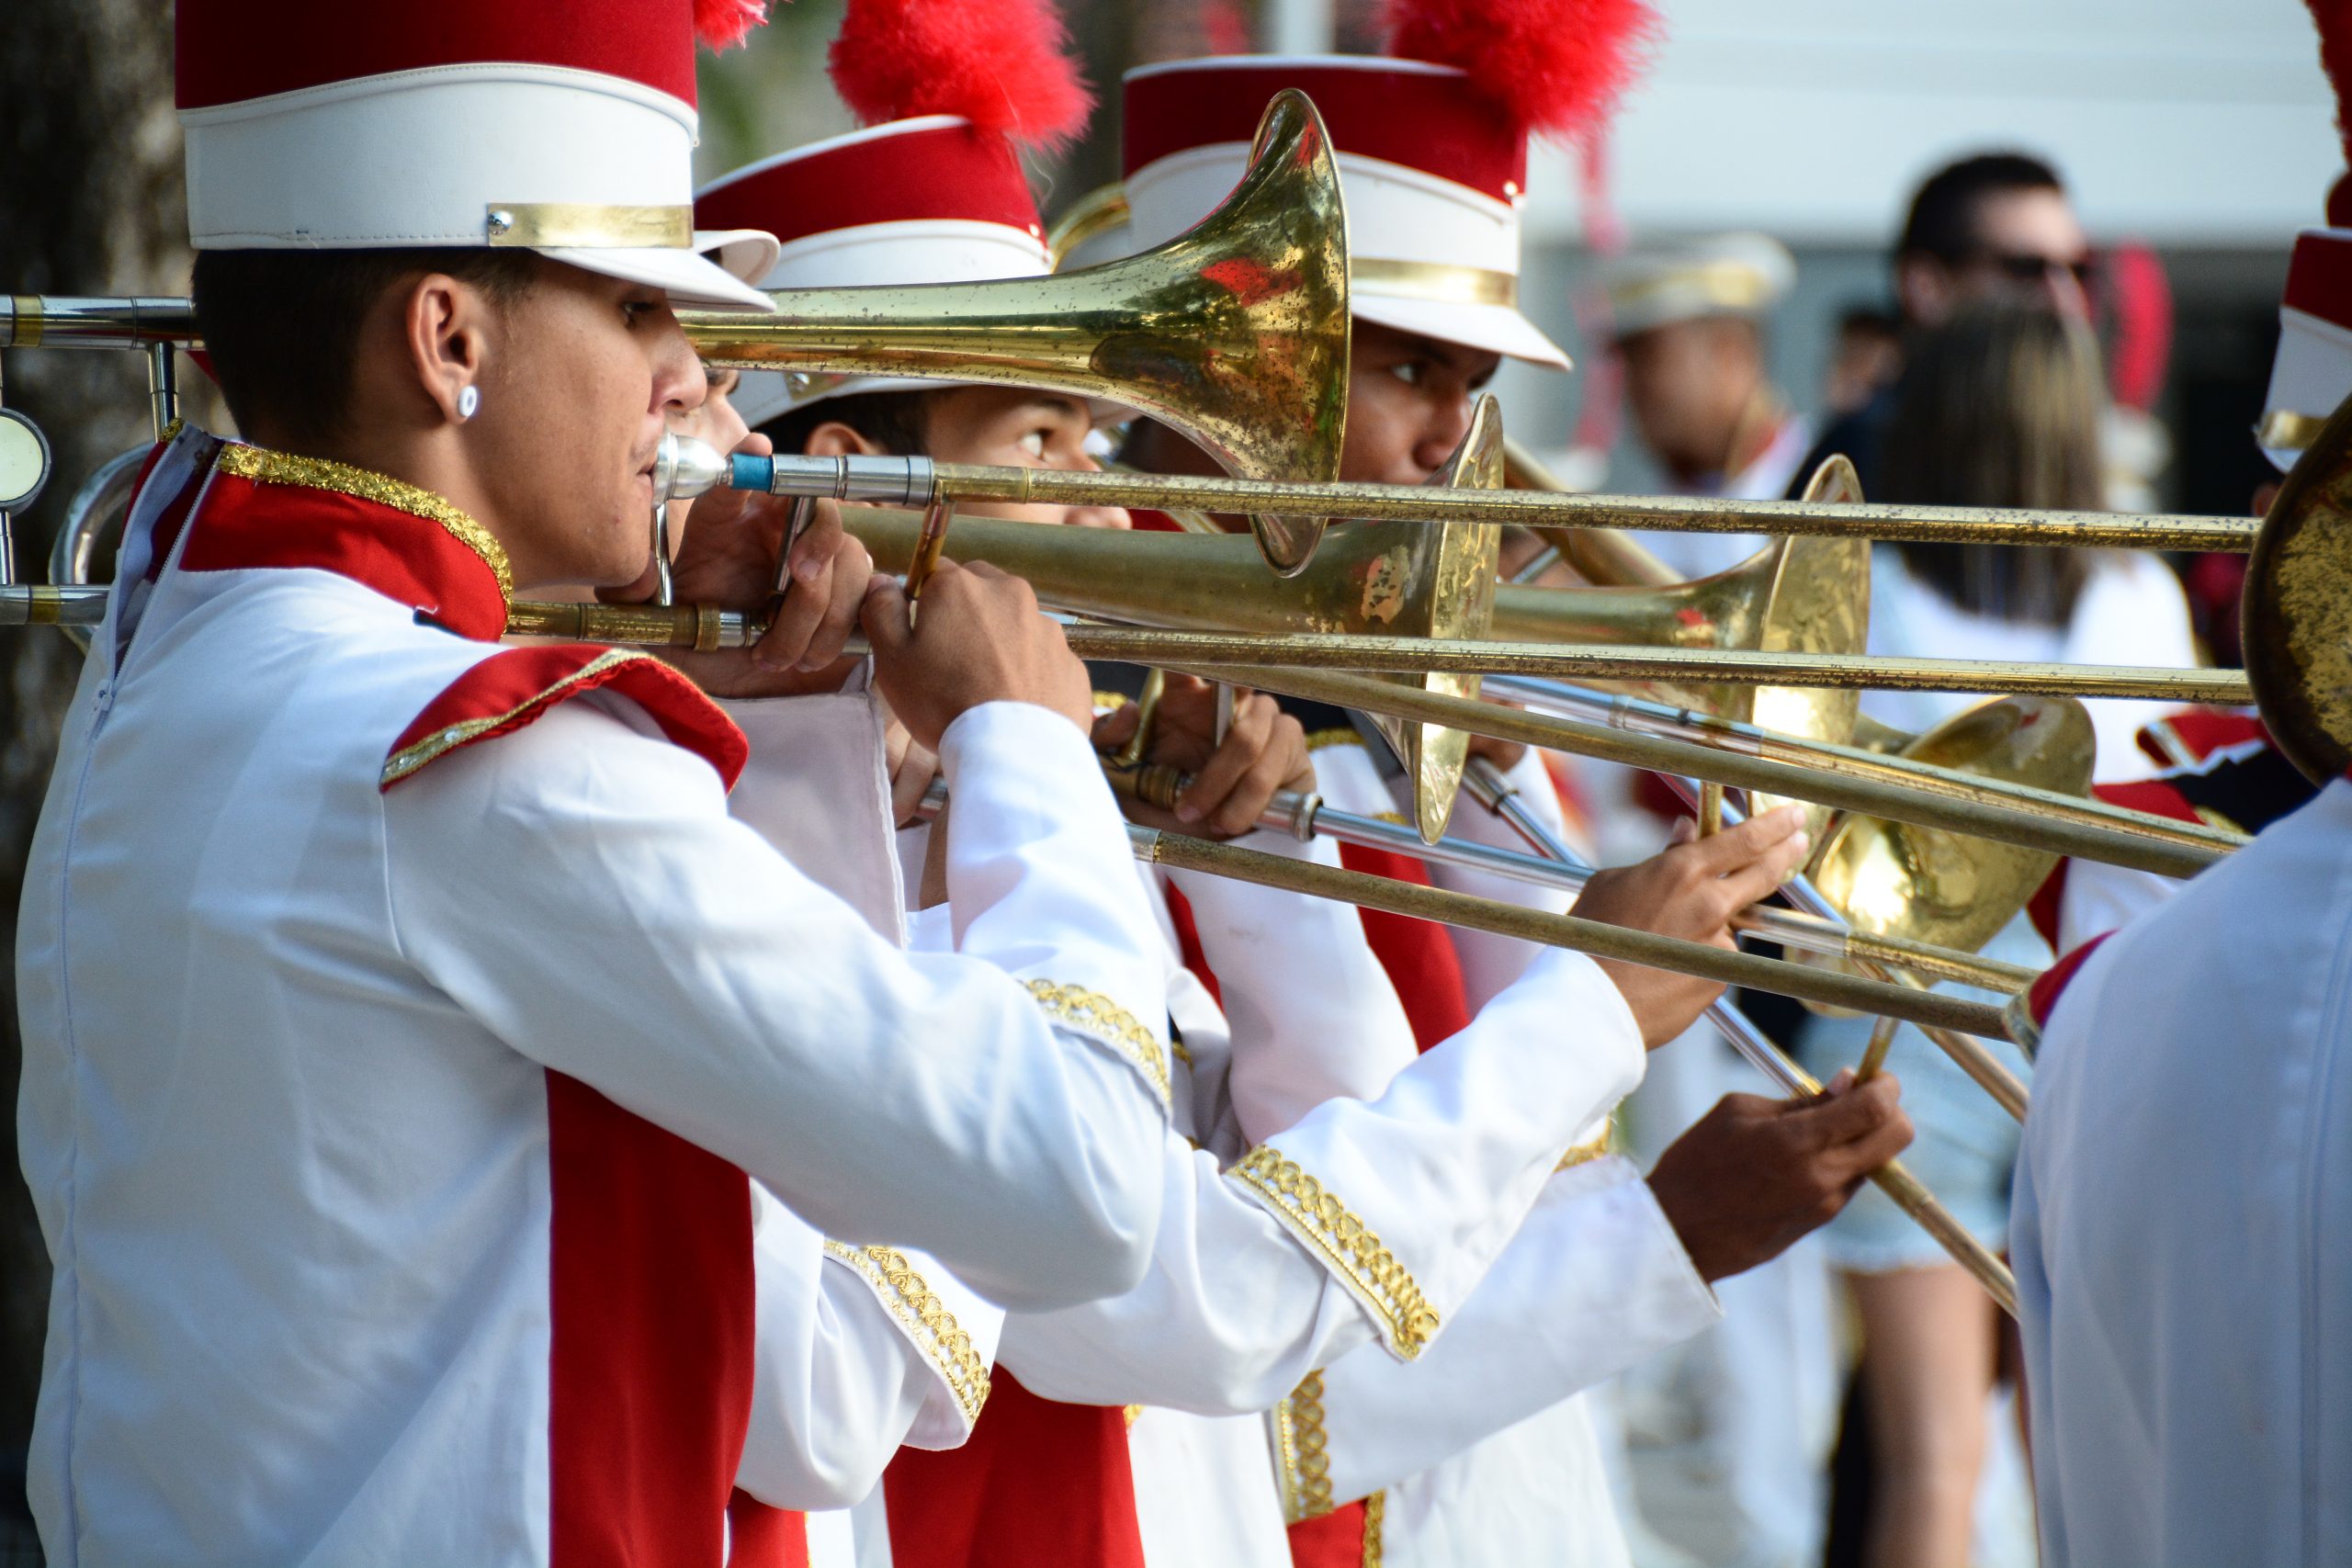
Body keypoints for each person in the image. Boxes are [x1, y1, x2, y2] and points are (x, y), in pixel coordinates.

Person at [10, 1, 1237, 1557]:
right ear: (448, 339)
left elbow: (816, 1391)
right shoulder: (486, 757)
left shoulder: (177, 664)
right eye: (638, 314)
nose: (688, 380)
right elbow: (1085, 1185)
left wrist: (775, 721)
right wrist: (1028, 745)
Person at [692, 33, 1903, 1560]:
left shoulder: (1084, 761)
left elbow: (1331, 1148)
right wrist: (1649, 1204)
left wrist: (1262, 860)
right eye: (1046, 432)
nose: (1091, 494)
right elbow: (1228, 1319)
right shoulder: (804, 821)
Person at [1108, 42, 1916, 1568]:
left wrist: (1482, 781)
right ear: (1214, 350)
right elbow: (1249, 1389)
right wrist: (1667, 1239)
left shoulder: (1386, 699)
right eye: (1407, 363)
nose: (1451, 444)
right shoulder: (1104, 731)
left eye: (1473, 385)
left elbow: (1518, 1176)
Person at [1793, 301, 2196, 1568]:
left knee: (1929, 1469)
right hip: (2098, 1021)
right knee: (2087, 1465)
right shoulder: (2143, 596)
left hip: (1897, 1018)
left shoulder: (1879, 591)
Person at [1796, 152, 2094, 498]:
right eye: (2025, 269)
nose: (2065, 299)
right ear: (1928, 288)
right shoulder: (1862, 462)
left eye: (2079, 271)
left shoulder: (2081, 442)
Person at [1605, 231, 1810, 579]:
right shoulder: (1637, 533)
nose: (1632, 388)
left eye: (1651, 360)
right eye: (1628, 365)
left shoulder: (1823, 490)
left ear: (1730, 355)